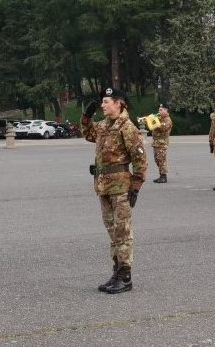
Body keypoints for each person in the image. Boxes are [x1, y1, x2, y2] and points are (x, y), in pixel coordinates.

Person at [81, 88, 147, 295]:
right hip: (104, 186)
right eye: (102, 101)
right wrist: (86, 117)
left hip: (120, 187)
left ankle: (125, 276)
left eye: (106, 101)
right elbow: (89, 134)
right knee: (112, 231)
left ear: (119, 103)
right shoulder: (105, 125)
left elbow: (140, 160)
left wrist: (135, 188)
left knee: (123, 231)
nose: (103, 105)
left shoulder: (127, 127)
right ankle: (116, 271)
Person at [151, 103, 173, 183]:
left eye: (161, 110)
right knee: (157, 160)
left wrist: (154, 120)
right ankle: (161, 175)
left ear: (166, 110)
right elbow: (152, 127)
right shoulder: (160, 119)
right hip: (156, 142)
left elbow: (162, 128)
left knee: (162, 160)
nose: (159, 111)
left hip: (162, 143)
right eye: (159, 110)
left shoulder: (167, 120)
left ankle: (164, 176)